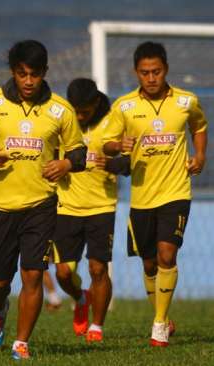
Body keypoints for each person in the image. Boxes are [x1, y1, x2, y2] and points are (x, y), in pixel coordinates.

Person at [0, 40, 86, 360]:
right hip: (0, 205)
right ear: (13, 72)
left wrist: (65, 163)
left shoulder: (60, 110)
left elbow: (79, 152)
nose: (29, 81)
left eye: (35, 74)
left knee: (33, 273)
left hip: (42, 205)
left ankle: (21, 343)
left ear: (45, 73)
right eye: (22, 74)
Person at [102, 41, 207, 347]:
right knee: (149, 263)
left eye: (156, 71)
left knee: (166, 254)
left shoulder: (186, 101)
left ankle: (159, 325)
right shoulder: (124, 106)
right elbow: (106, 142)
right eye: (145, 72)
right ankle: (162, 315)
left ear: (166, 70)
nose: (151, 78)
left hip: (176, 192)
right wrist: (117, 146)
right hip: (141, 196)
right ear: (136, 72)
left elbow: (199, 126)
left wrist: (199, 156)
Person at [53, 78, 130, 342]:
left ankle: (97, 326)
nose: (79, 115)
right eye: (75, 109)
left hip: (101, 206)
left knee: (98, 269)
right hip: (66, 206)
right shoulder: (63, 120)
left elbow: (128, 164)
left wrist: (109, 163)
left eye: (84, 111)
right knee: (63, 272)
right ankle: (80, 297)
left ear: (96, 103)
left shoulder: (112, 122)